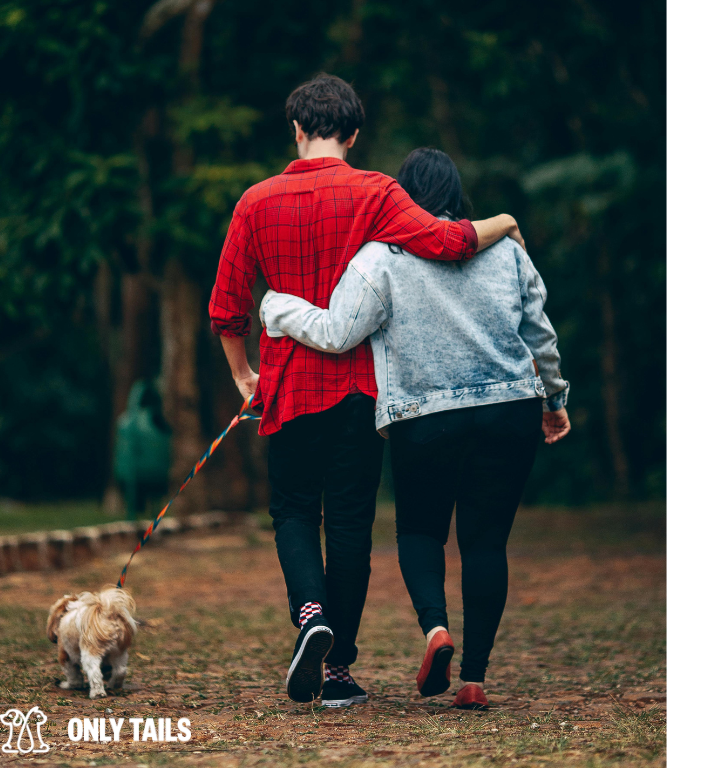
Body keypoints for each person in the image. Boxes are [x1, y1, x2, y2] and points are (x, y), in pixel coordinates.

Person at [208, 75, 527, 708]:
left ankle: (310, 618)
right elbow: (448, 242)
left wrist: (246, 376)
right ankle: (337, 671)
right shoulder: (378, 191)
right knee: (351, 524)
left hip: (288, 390)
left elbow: (226, 305)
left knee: (294, 512)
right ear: (354, 135)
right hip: (357, 390)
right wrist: (507, 220)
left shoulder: (255, 201)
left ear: (296, 130)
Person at [259, 147, 572, 710]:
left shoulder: (381, 256)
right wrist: (553, 399)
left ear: (400, 195)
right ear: (459, 196)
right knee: (486, 542)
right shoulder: (507, 253)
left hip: (423, 420)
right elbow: (540, 334)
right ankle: (473, 678)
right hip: (509, 410)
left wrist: (278, 309)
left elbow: (335, 332)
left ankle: (435, 631)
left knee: (420, 533)